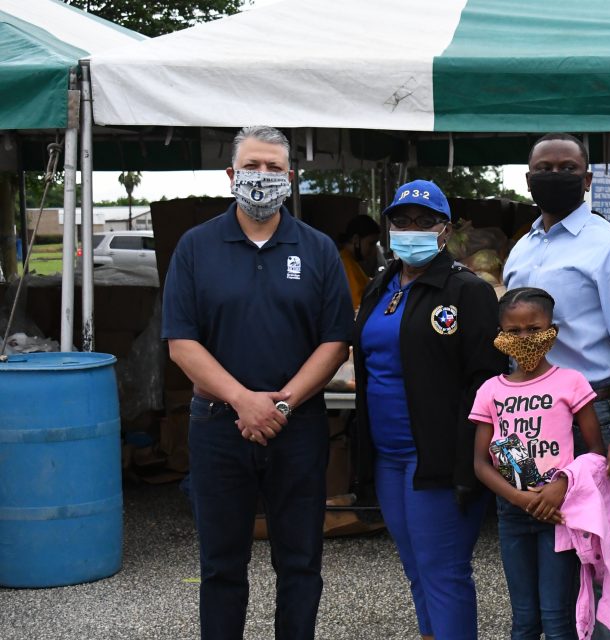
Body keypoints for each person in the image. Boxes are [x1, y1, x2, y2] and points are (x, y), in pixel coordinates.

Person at [162, 125, 352, 639]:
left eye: (273, 168)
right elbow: (181, 343)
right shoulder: (196, 248)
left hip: (299, 428)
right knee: (222, 567)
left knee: (300, 563)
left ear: (290, 178)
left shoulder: (316, 250)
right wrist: (244, 401)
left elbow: (335, 342)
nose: (261, 177)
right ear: (230, 175)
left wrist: (281, 406)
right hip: (220, 428)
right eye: (251, 166)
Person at [503, 133, 610, 640]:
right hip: (532, 420)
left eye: (565, 167)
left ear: (588, 179)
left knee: (602, 555)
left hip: (594, 414)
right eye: (543, 169)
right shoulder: (522, 248)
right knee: (548, 553)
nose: (554, 176)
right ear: (528, 180)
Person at [350, 179, 507, 639]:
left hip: (437, 459)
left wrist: (469, 458)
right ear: (388, 227)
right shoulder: (380, 286)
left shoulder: (466, 291)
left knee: (444, 573)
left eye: (424, 221)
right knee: (417, 570)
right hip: (387, 457)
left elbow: (487, 383)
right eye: (401, 220)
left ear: (444, 229)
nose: (411, 228)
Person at [471, 287, 605, 640]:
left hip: (560, 515)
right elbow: (481, 463)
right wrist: (521, 500)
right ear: (500, 336)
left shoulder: (571, 382)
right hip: (513, 515)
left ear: (552, 331)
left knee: (557, 618)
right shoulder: (490, 391)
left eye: (534, 328)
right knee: (525, 619)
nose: (524, 337)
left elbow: (596, 454)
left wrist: (561, 486)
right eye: (513, 331)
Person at [336, 214, 381, 311]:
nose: (374, 251)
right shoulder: (345, 264)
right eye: (371, 244)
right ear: (356, 239)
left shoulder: (348, 261)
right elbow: (358, 307)